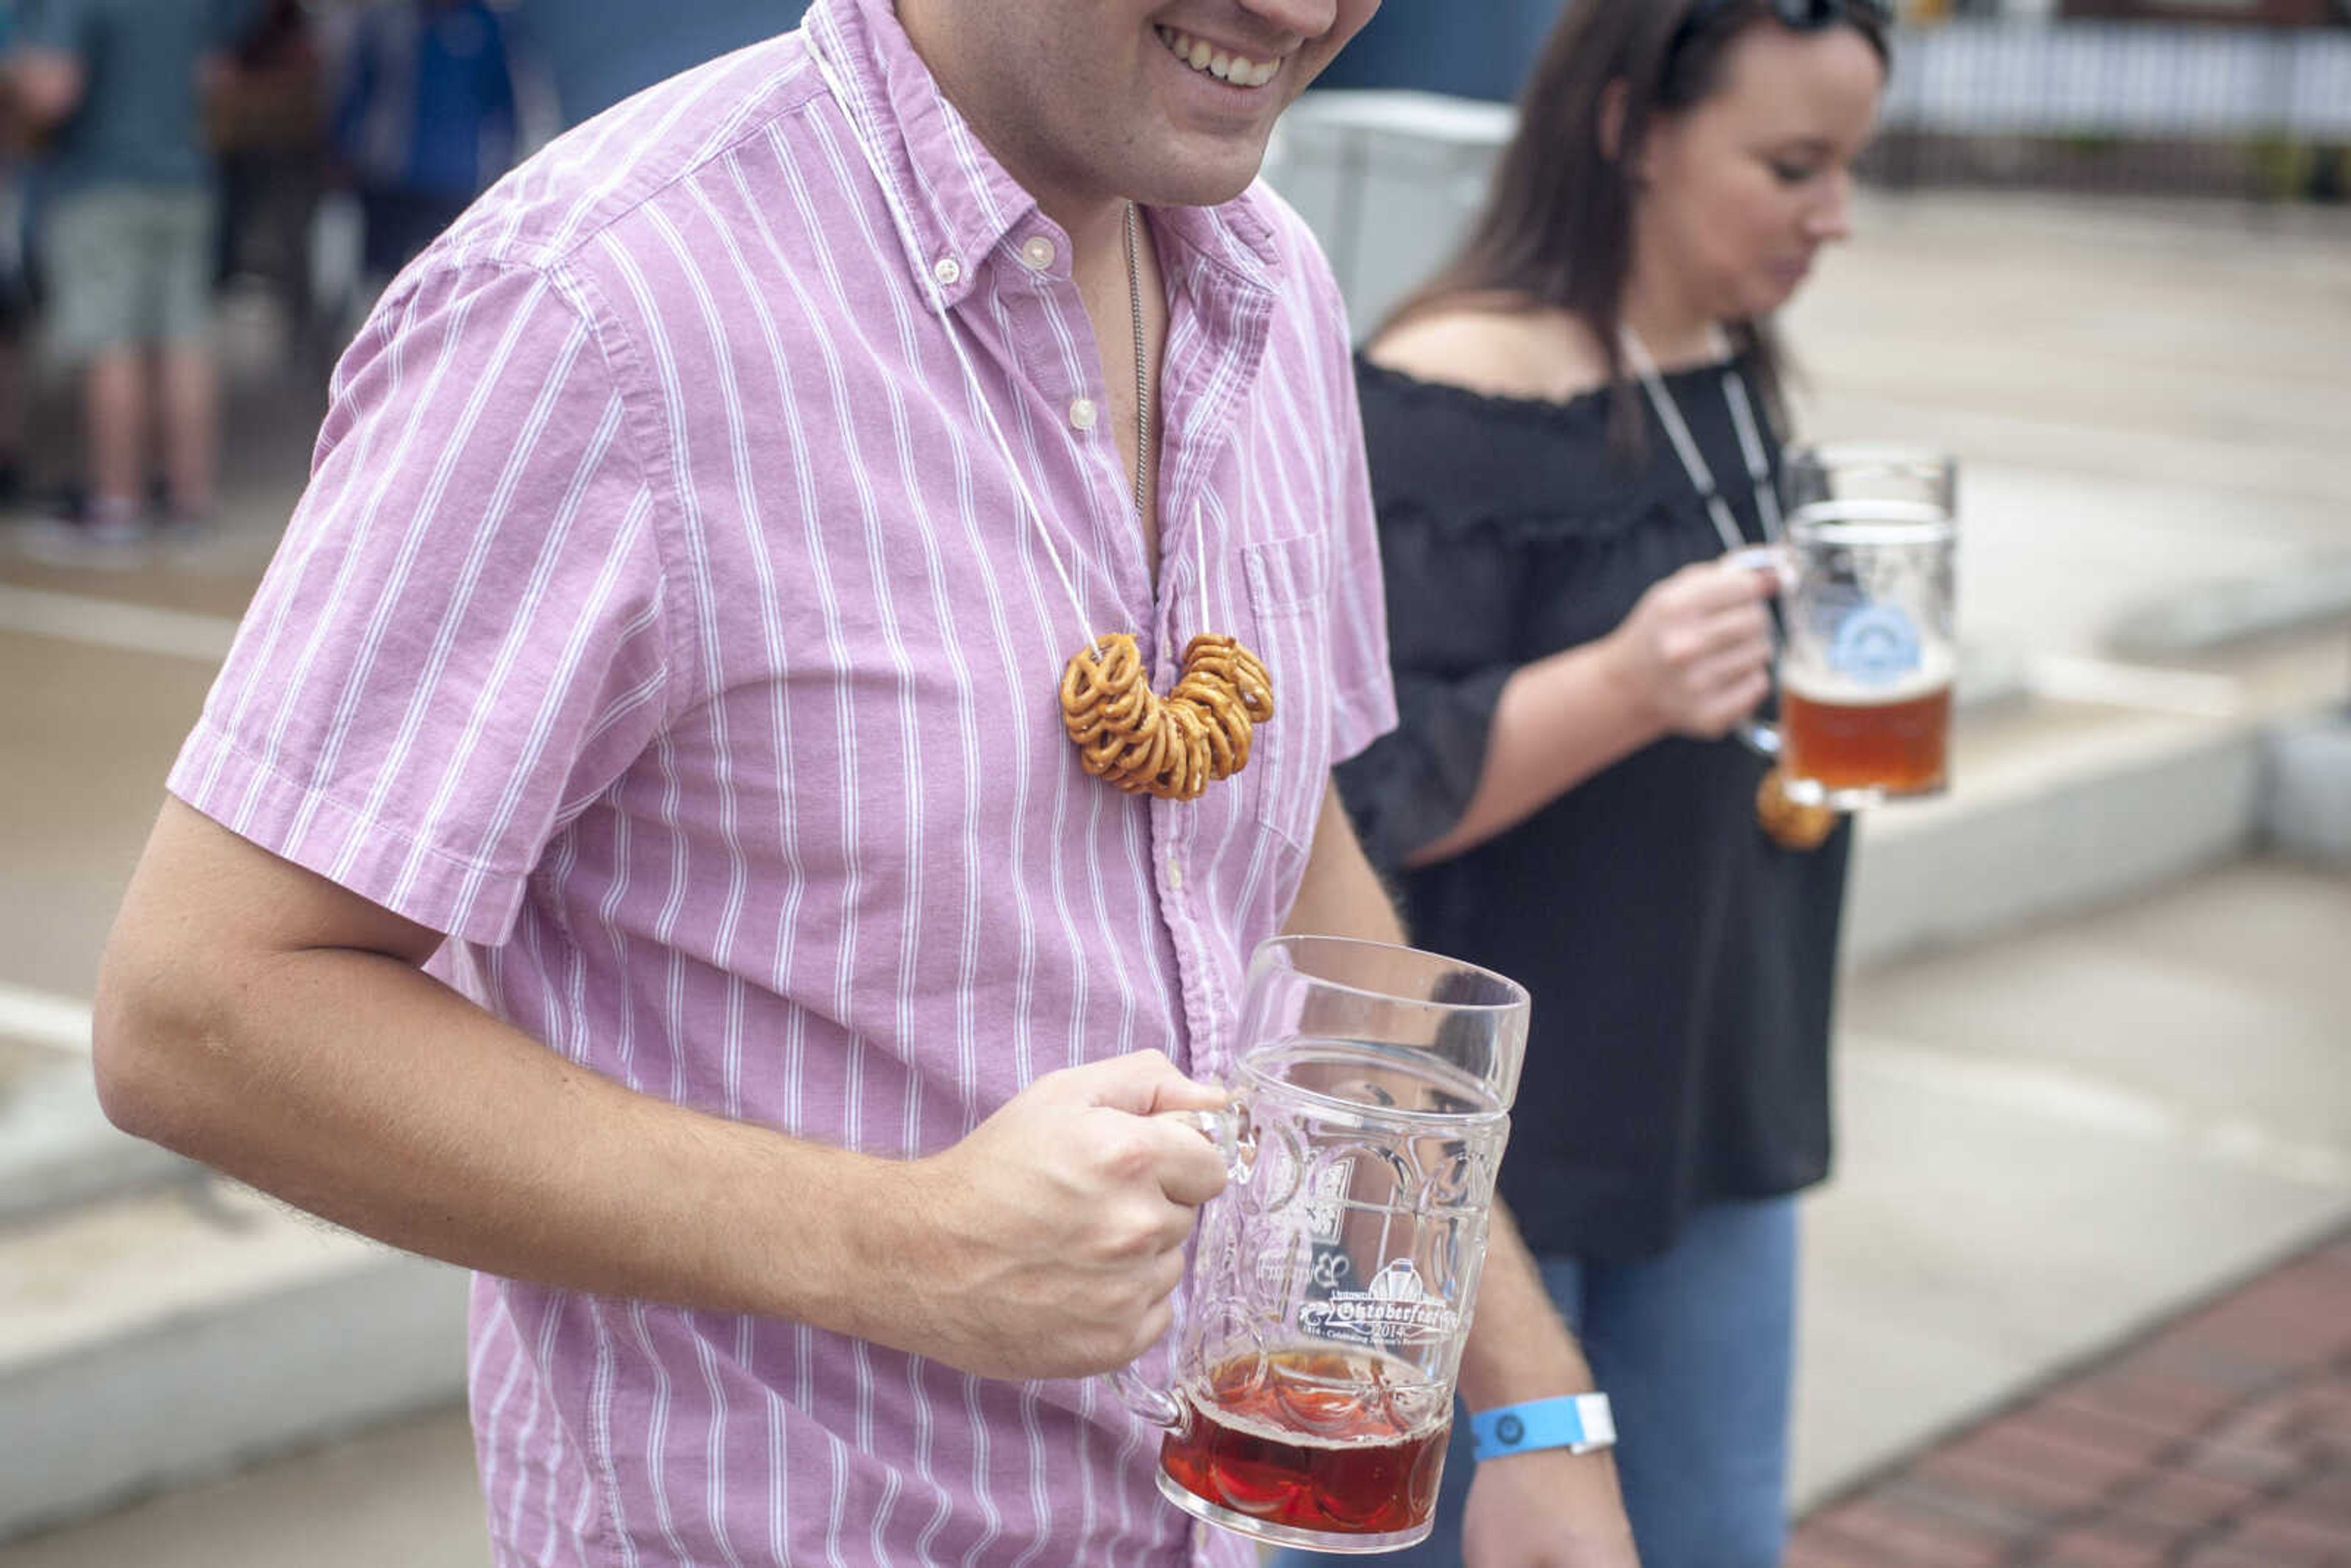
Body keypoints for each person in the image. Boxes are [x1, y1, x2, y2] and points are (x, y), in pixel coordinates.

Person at [91, 2, 1640, 1565]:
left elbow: (1277, 849)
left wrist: (1529, 1395)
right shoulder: (597, 302)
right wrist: (900, 1243)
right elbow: (198, 1006)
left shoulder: (1268, 280)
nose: (1305, 8)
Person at [1289, 4, 1892, 1568]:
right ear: (1628, 127)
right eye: (1789, 165)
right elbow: (1337, 811)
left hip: (1710, 1095)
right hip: (1473, 1150)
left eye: (1847, 167)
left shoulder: (1725, 359)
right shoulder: (1445, 386)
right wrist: (1618, 688)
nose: (1830, 214)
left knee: (1705, 1535)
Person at [5, 0, 251, 544]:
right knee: (186, 340)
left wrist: (16, 69)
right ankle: (191, 503)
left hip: (101, 184)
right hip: (187, 179)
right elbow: (218, 77)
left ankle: (119, 505)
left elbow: (54, 92)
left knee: (111, 344)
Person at [329, 0, 519, 287]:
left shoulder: (485, 25)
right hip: (388, 174)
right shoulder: (388, 20)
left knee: (440, 276)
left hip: (452, 180)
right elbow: (358, 89)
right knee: (379, 276)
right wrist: (342, 147)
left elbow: (503, 106)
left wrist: (503, 172)